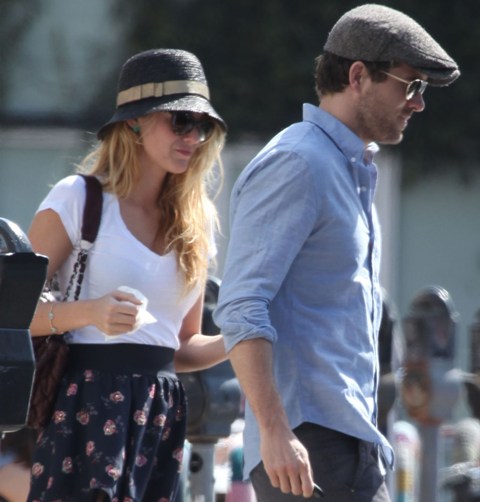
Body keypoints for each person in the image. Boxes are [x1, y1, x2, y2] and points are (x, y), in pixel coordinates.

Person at [213, 4, 459, 501]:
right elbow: (240, 306)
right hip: (308, 445)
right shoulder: (299, 162)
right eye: (411, 85)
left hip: (345, 442)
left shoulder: (346, 168)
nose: (418, 103)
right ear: (358, 76)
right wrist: (276, 430)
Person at [26, 48, 227, 502]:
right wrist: (89, 313)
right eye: (181, 121)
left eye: (202, 126)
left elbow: (180, 345)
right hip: (83, 405)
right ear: (135, 121)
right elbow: (9, 314)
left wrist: (241, 339)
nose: (193, 137)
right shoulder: (79, 198)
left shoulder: (195, 223)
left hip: (161, 414)